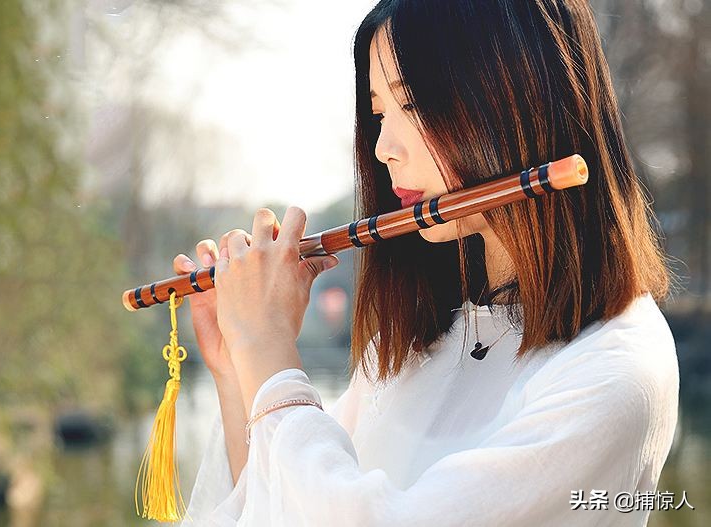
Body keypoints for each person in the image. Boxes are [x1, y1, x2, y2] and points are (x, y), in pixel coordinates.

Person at [174, 1, 679, 525]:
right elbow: (284, 500)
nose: (384, 147)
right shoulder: (429, 334)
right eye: (378, 114)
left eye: (411, 105)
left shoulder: (616, 368)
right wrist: (240, 365)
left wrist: (269, 346)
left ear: (516, 97)